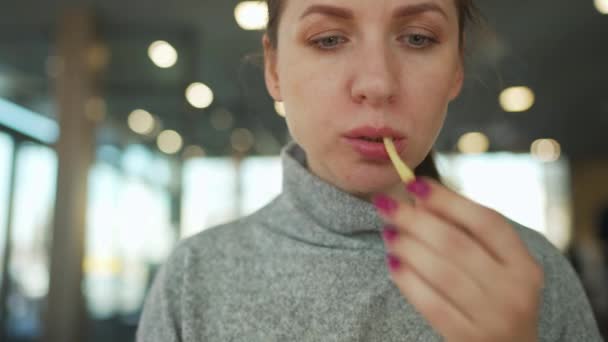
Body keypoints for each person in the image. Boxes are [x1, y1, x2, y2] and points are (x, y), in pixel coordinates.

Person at [136, 0, 602, 341]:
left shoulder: (534, 275)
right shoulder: (194, 278)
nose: (377, 84)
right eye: (329, 39)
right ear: (274, 68)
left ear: (456, 68)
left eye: (418, 38)